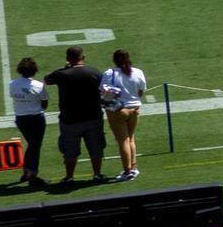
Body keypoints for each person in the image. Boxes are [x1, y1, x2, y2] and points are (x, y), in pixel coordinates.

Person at [44, 47, 106, 183]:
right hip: (93, 117)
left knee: (70, 151)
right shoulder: (94, 72)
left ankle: (69, 176)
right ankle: (97, 174)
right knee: (96, 148)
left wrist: (64, 68)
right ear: (83, 57)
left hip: (69, 120)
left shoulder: (62, 74)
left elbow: (46, 80)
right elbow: (104, 90)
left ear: (68, 59)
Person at [100, 49, 148, 182]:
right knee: (131, 138)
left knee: (123, 141)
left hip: (119, 111)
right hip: (135, 108)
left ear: (114, 60)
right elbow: (141, 91)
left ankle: (127, 171)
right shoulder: (138, 72)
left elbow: (103, 93)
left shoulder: (110, 73)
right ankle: (133, 167)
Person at [9, 57, 47, 187]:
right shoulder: (39, 85)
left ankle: (26, 172)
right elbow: (44, 104)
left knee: (32, 145)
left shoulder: (12, 84)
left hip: (20, 118)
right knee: (35, 147)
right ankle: (33, 176)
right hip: (36, 118)